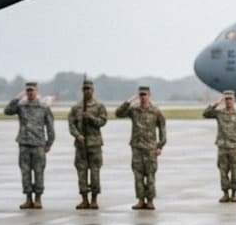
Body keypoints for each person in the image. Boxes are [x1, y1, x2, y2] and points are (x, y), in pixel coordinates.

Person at [4, 81, 55, 209]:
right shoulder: (21, 106)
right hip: (24, 144)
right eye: (28, 90)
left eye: (32, 90)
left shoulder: (43, 107)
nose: (30, 93)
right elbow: (7, 111)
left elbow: (50, 126)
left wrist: (49, 143)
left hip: (38, 145)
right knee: (25, 173)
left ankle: (38, 199)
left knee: (39, 172)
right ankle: (28, 199)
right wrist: (17, 98)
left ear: (37, 91)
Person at [116, 86, 167, 210]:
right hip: (137, 148)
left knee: (150, 176)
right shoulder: (134, 110)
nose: (143, 97)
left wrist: (160, 146)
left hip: (150, 149)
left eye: (145, 94)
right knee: (138, 175)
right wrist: (129, 101)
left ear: (149, 95)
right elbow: (118, 114)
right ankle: (140, 200)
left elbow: (162, 128)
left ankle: (150, 201)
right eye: (141, 95)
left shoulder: (155, 111)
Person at [202, 90, 236, 202]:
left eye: (230, 99)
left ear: (234, 100)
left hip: (234, 148)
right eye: (226, 99)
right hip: (222, 148)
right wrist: (216, 103)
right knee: (223, 172)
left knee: (235, 172)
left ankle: (234, 194)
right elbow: (206, 114)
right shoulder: (220, 113)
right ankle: (225, 193)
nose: (228, 101)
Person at [68, 80, 107, 209]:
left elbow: (102, 122)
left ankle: (94, 199)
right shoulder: (76, 108)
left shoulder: (99, 106)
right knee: (81, 172)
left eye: (89, 89)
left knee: (95, 172)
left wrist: (90, 117)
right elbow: (71, 124)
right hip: (81, 145)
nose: (87, 91)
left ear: (93, 90)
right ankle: (84, 199)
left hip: (95, 145)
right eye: (85, 89)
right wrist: (77, 135)